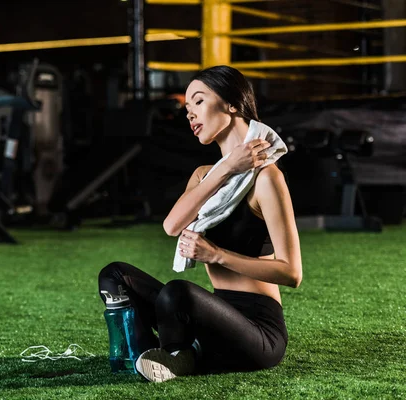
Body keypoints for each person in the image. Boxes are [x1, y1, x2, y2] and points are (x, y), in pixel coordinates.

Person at [97, 65, 302, 383]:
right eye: (187, 108)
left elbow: (291, 273)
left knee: (179, 294)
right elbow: (172, 225)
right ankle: (149, 353)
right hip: (213, 314)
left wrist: (217, 255)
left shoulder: (267, 177)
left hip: (258, 332)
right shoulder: (204, 175)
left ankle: (178, 356)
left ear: (232, 104)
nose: (190, 115)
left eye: (199, 101)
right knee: (114, 275)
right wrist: (227, 168)